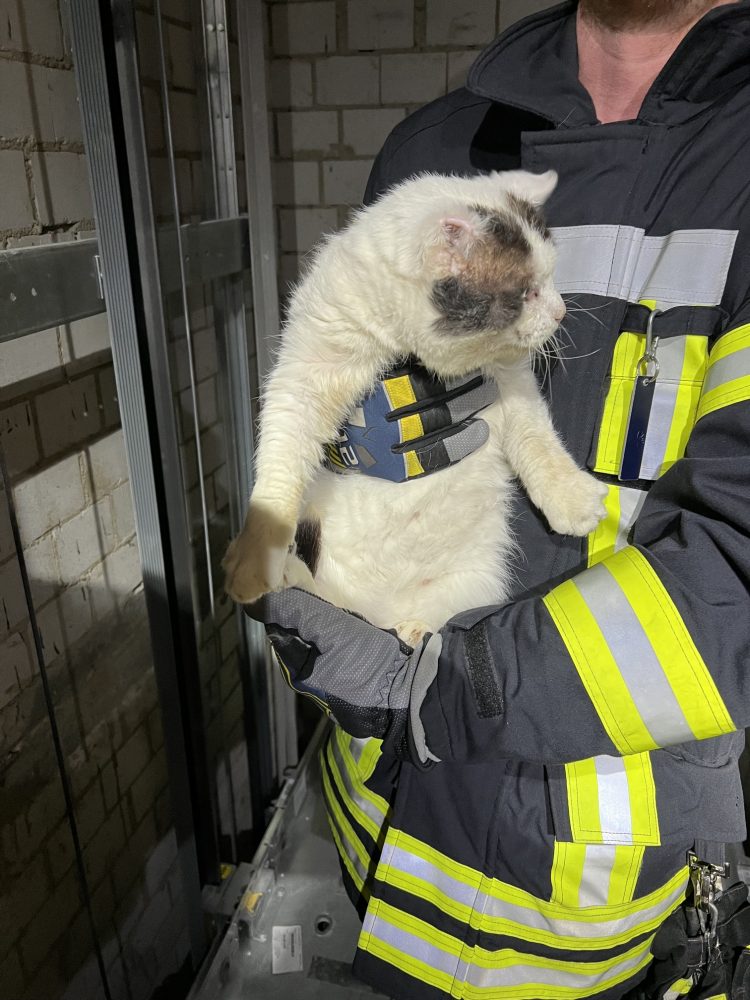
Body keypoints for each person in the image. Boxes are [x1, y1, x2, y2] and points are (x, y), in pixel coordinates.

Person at [250, 1, 750, 996]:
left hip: (585, 907)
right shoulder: (433, 150)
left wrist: (435, 690)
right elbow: (328, 384)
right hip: (381, 838)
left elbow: (734, 575)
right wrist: (320, 492)